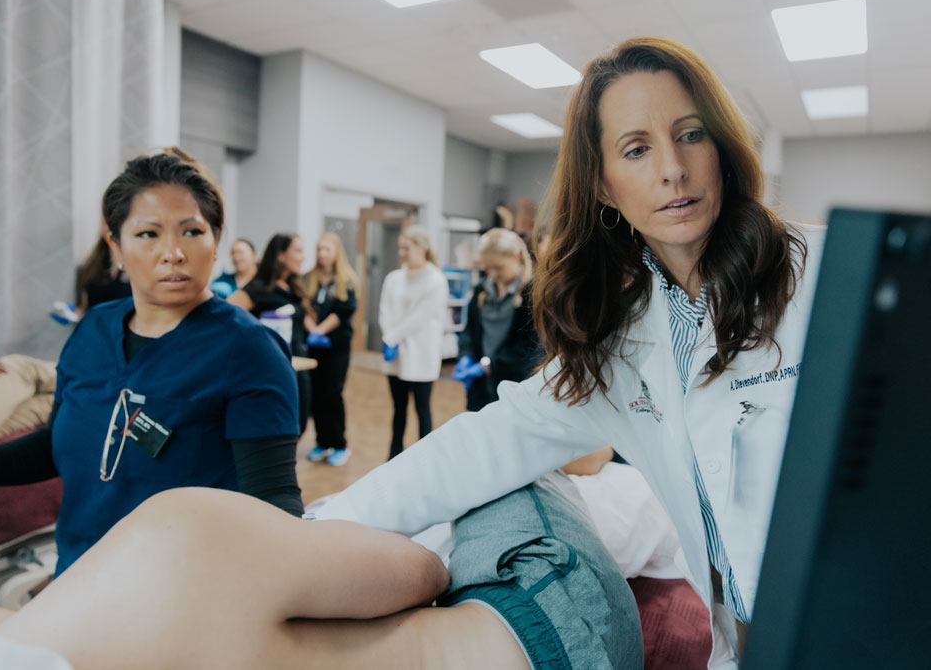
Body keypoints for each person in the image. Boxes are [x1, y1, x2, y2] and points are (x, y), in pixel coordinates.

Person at [316, 37, 823, 668]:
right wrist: (317, 527)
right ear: (605, 188)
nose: (672, 168)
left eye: (690, 134)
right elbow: (480, 447)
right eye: (636, 149)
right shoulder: (621, 342)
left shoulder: (824, 279)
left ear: (721, 148)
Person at [0, 148, 303, 576]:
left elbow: (274, 506)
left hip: (183, 593)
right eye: (148, 234)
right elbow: (64, 445)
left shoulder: (248, 350)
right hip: (79, 577)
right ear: (117, 245)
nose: (173, 252)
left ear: (215, 240)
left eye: (191, 232)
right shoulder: (94, 330)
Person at [0, 477, 642, 670]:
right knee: (521, 471)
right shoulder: (175, 539)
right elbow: (423, 572)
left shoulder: (35, 638)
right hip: (560, 640)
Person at [229, 233, 313, 434]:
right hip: (273, 370)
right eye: (298, 251)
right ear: (281, 255)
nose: (303, 257)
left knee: (300, 424)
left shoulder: (293, 287)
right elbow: (227, 315)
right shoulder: (260, 287)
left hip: (299, 366)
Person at [378, 224, 449, 460]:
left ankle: (424, 459)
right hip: (395, 354)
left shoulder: (436, 280)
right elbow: (384, 310)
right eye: (400, 248)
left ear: (422, 248)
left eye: (406, 248)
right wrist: (389, 337)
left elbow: (421, 317)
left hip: (421, 356)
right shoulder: (394, 278)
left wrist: (392, 337)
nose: (401, 253)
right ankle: (393, 456)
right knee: (398, 410)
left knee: (422, 410)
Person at [452, 228, 542, 412]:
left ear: (515, 257)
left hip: (516, 384)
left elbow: (531, 347)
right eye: (487, 268)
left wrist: (490, 365)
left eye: (498, 267)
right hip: (481, 387)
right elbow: (469, 331)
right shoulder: (480, 291)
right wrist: (466, 356)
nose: (492, 274)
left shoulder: (534, 294)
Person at [302, 232, 358, 466]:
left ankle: (339, 444)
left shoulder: (347, 281)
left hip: (337, 347)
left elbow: (342, 312)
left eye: (327, 249)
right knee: (315, 394)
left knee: (332, 393)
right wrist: (311, 328)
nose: (322, 254)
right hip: (314, 349)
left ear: (336, 253)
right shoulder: (308, 279)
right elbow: (303, 307)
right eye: (319, 249)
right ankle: (322, 442)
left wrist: (320, 330)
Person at [77, 231, 132, 311]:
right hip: (95, 320)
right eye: (104, 222)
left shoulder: (134, 264)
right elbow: (83, 307)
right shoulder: (92, 265)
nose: (107, 227)